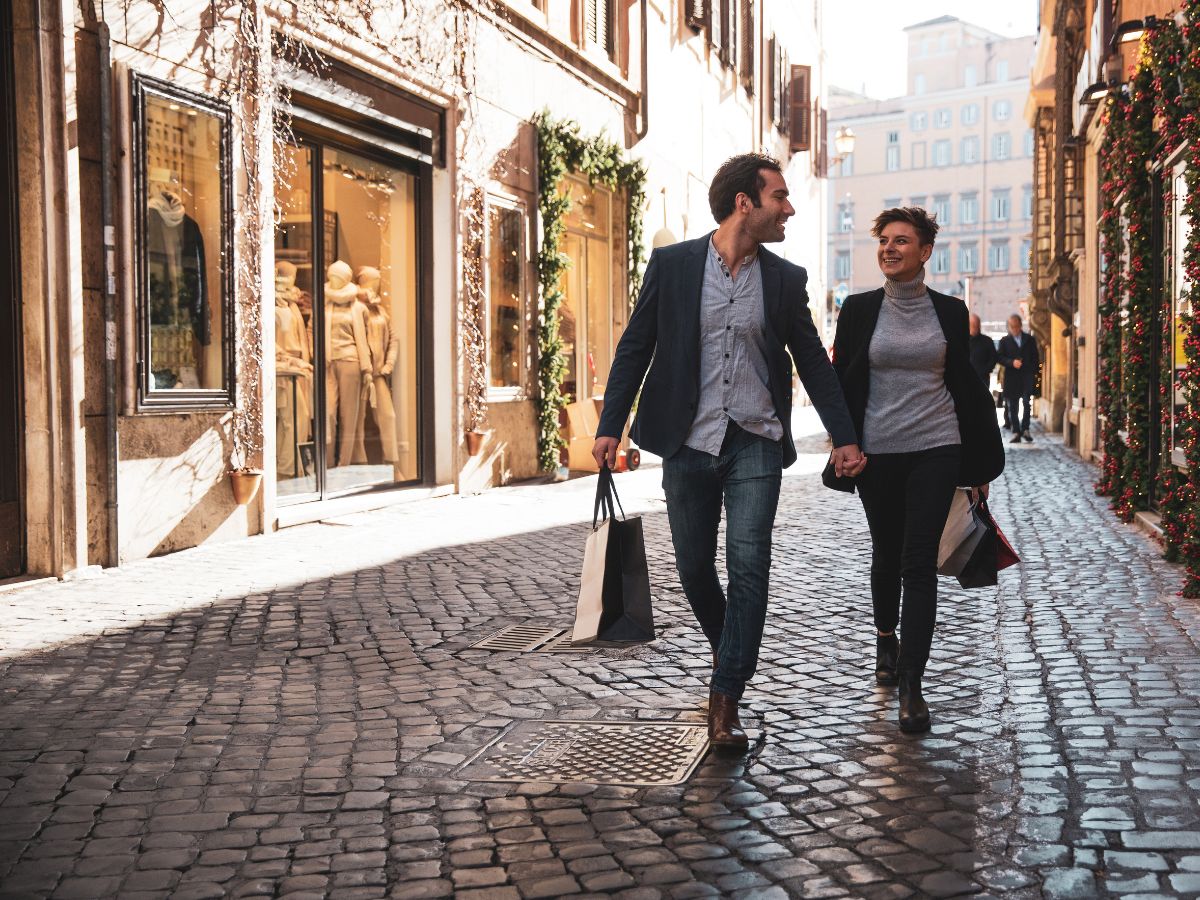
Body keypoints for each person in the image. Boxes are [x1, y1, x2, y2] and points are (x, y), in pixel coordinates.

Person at [592, 153, 866, 750]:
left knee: (749, 564)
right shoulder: (673, 265)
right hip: (688, 440)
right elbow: (635, 346)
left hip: (755, 440)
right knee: (692, 566)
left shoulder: (785, 279)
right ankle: (732, 652)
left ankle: (725, 697)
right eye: (779, 197)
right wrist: (610, 424)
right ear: (746, 202)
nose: (788, 208)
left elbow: (813, 361)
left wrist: (844, 436)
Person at [831, 207, 1003, 733]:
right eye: (883, 240)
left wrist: (977, 463)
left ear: (925, 251)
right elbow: (842, 384)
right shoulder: (858, 309)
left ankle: (912, 684)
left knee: (919, 562)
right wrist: (846, 442)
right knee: (885, 554)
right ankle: (886, 640)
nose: (889, 248)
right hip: (877, 453)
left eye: (901, 241)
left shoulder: (950, 311)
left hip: (937, 445)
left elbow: (966, 389)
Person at [998, 314, 1040, 443]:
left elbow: (1035, 358)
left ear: (1021, 325)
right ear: (1009, 327)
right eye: (1012, 327)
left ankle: (1025, 429)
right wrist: (1011, 363)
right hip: (1011, 378)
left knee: (1027, 404)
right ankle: (1016, 431)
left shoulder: (1029, 339)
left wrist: (1031, 370)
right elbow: (1000, 358)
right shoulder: (1004, 341)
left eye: (1016, 326)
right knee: (1012, 406)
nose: (1014, 329)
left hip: (1026, 376)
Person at [968, 313, 997, 385]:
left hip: (983, 379)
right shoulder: (962, 341)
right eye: (973, 325)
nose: (975, 327)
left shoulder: (987, 341)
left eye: (977, 325)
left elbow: (993, 359)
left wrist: (985, 371)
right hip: (966, 379)